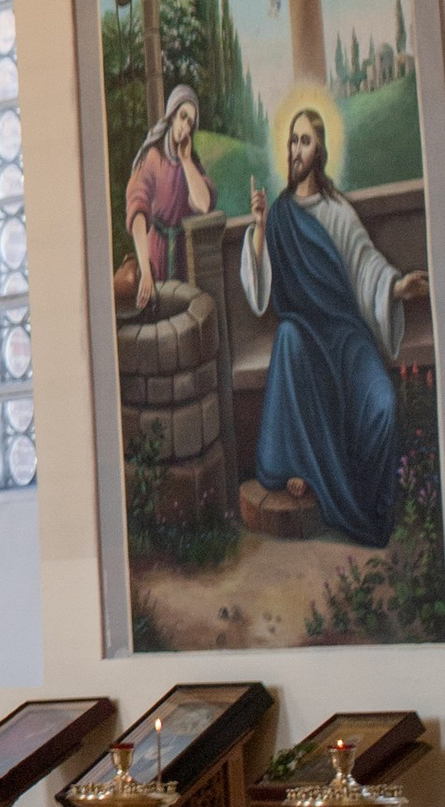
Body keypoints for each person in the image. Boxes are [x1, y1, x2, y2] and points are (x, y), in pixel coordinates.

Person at [243, 101, 428, 543]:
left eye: (305, 140)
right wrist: (258, 228)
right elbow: (259, 294)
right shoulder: (281, 216)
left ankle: (366, 503)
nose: (296, 149)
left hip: (344, 336)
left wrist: (398, 287)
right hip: (306, 336)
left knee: (382, 401)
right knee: (287, 336)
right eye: (292, 140)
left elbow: (366, 266)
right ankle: (302, 466)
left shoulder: (337, 211)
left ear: (320, 151)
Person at [124, 81, 214, 308]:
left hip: (184, 257)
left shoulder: (190, 163)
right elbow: (137, 211)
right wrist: (144, 270)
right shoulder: (153, 157)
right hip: (155, 254)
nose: (185, 126)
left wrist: (185, 160)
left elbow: (203, 204)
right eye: (183, 116)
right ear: (172, 115)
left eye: (190, 123)